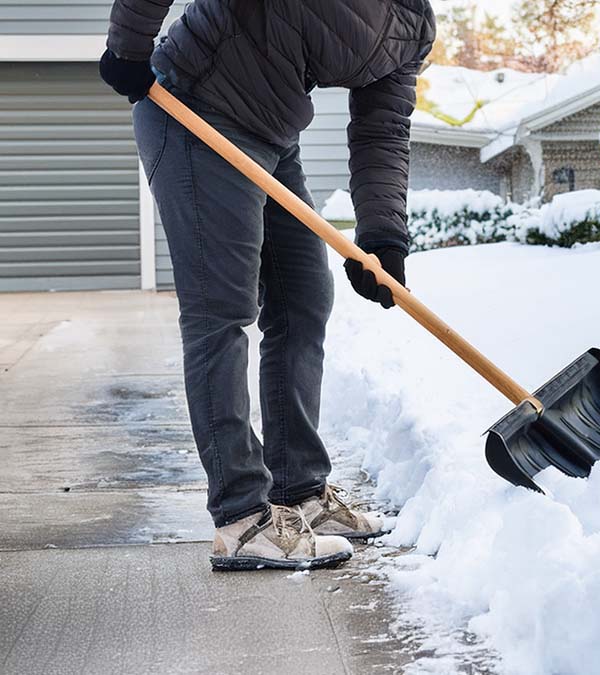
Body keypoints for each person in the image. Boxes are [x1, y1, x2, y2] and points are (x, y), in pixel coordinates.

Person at [99, 0, 435, 571]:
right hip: (192, 110)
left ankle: (298, 492)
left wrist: (383, 236)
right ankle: (241, 518)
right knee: (221, 312)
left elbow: (383, 127)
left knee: (304, 299)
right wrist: (130, 45)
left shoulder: (412, 24)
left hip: (273, 134)